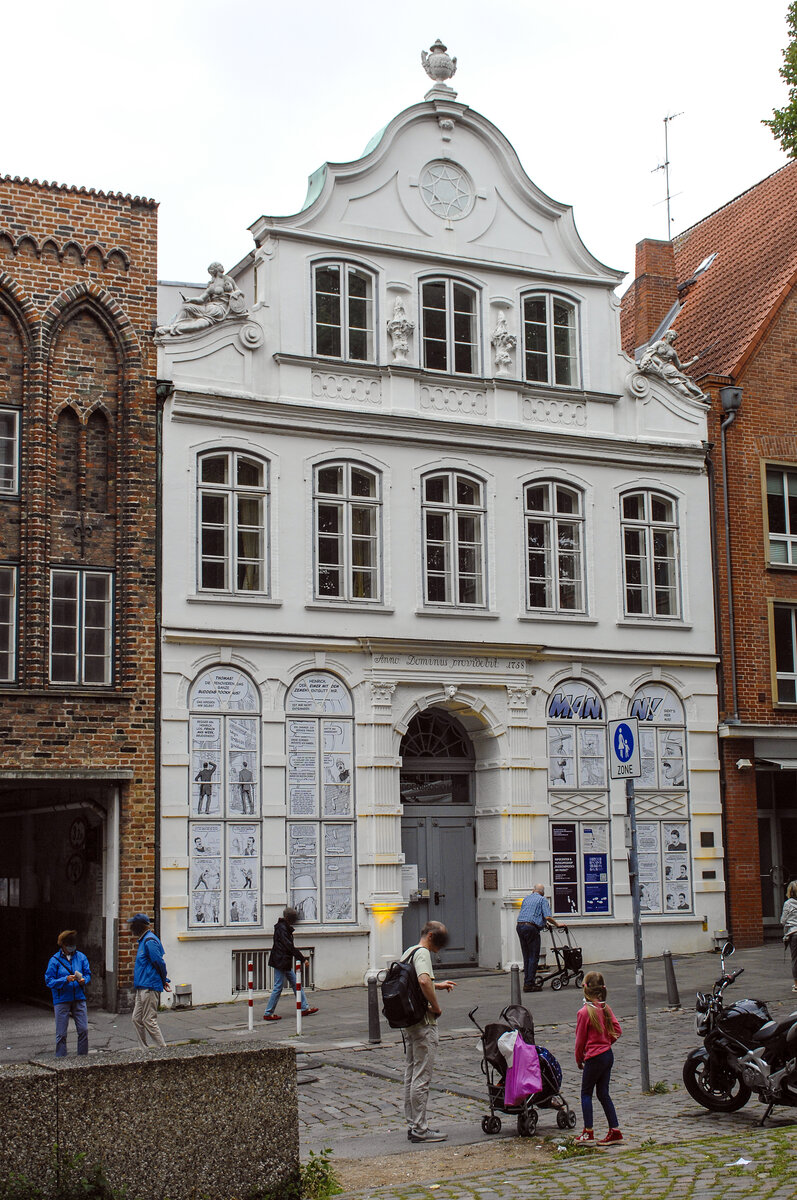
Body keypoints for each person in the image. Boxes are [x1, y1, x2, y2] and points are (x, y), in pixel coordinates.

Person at [400, 921, 457, 1143]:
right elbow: (423, 980)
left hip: (409, 1021)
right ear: (431, 936)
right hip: (424, 1022)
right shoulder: (423, 953)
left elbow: (415, 982)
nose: (442, 947)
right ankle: (420, 1129)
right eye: (441, 941)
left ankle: (412, 1124)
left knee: (411, 1073)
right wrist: (436, 1006)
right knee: (422, 1076)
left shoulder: (409, 951)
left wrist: (438, 985)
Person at [574, 972, 623, 1146]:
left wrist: (579, 1058)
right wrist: (607, 1042)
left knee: (586, 1093)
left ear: (585, 988)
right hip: (607, 1055)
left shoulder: (584, 1012)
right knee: (603, 1093)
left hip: (594, 1058)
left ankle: (588, 1132)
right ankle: (614, 1130)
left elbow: (580, 1040)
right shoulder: (605, 1008)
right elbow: (617, 1029)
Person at [262, 908, 319, 1020]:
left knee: (295, 983)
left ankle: (304, 1007)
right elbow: (289, 946)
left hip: (283, 961)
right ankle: (268, 1013)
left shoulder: (283, 927)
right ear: (290, 919)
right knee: (278, 987)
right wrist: (302, 959)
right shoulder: (282, 928)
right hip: (280, 961)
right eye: (294, 919)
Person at [44, 930, 91, 1057]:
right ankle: (60, 1059)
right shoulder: (54, 960)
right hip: (62, 999)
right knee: (61, 1033)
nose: (71, 948)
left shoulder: (81, 957)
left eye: (73, 945)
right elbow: (49, 981)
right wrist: (65, 980)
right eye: (69, 946)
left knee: (83, 1030)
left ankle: (82, 1058)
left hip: (79, 997)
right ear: (63, 945)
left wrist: (84, 980)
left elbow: (88, 974)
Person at [128, 913, 170, 1049]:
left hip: (149, 986)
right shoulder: (144, 940)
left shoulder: (149, 941)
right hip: (142, 986)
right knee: (136, 1019)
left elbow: (159, 962)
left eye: (133, 925)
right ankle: (144, 1051)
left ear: (139, 926)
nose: (130, 927)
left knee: (149, 1020)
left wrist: (163, 980)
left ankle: (163, 1049)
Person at [516, 883, 565, 992]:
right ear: (542, 893)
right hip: (531, 928)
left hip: (520, 926)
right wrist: (557, 924)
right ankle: (529, 984)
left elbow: (531, 914)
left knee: (526, 955)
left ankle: (527, 980)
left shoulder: (526, 899)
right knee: (533, 956)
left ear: (533, 890)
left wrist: (542, 923)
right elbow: (547, 916)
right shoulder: (542, 900)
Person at [781, 881, 797, 993]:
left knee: (795, 959)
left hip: (794, 933)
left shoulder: (788, 903)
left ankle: (796, 984)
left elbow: (783, 920)